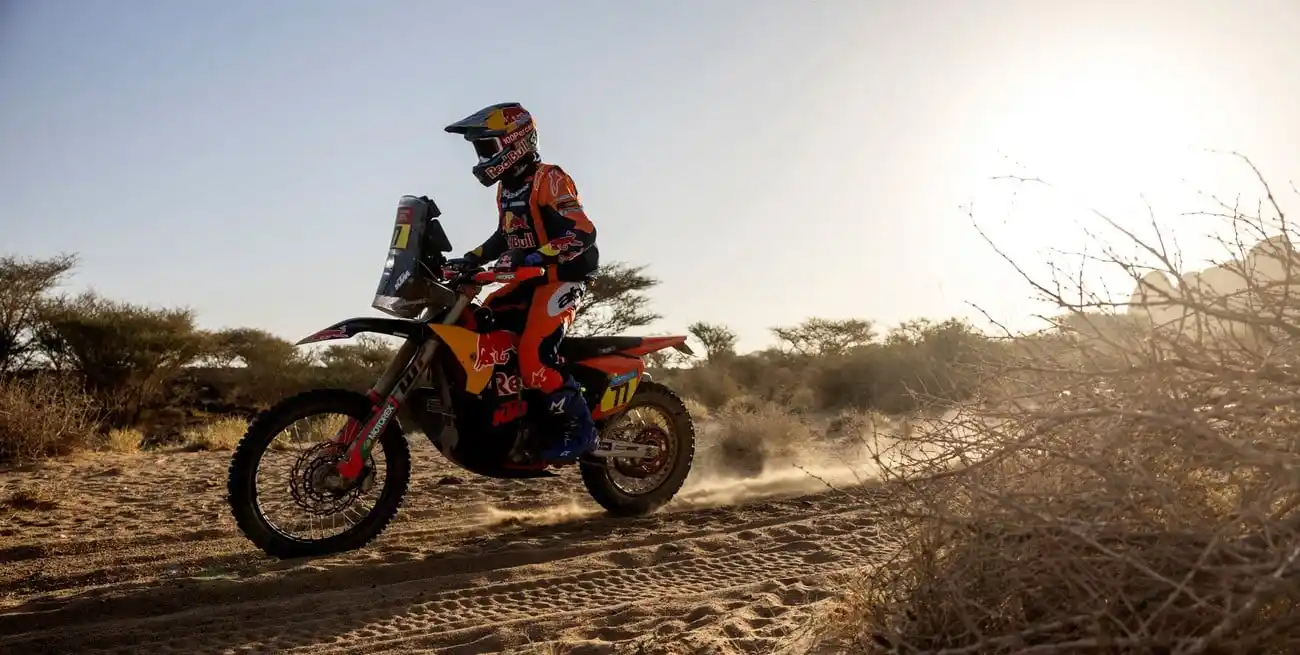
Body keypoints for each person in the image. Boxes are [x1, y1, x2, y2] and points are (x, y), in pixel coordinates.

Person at [442, 102, 600, 463]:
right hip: (530, 278)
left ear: (516, 143)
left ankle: (581, 432)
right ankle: (517, 415)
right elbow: (505, 235)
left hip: (564, 277)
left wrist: (541, 254)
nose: (483, 157)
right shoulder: (507, 188)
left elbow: (583, 232)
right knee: (483, 323)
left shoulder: (550, 179)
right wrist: (472, 257)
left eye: (488, 147)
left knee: (533, 356)